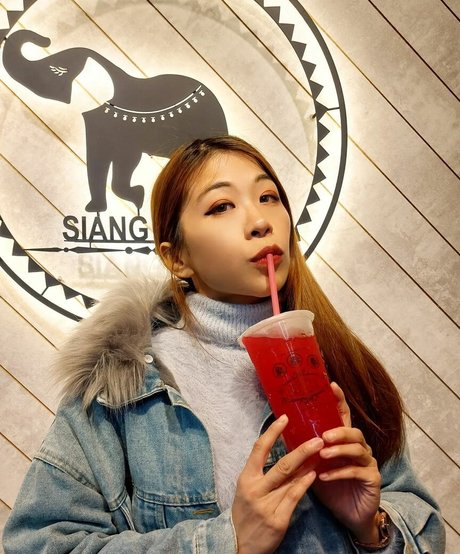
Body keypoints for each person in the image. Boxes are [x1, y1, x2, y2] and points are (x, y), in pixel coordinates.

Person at [3, 136, 445, 553]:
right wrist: (227, 541)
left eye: (268, 197)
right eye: (221, 206)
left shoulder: (336, 361)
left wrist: (372, 527)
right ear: (177, 257)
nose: (260, 222)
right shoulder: (122, 383)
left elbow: (421, 522)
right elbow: (40, 543)